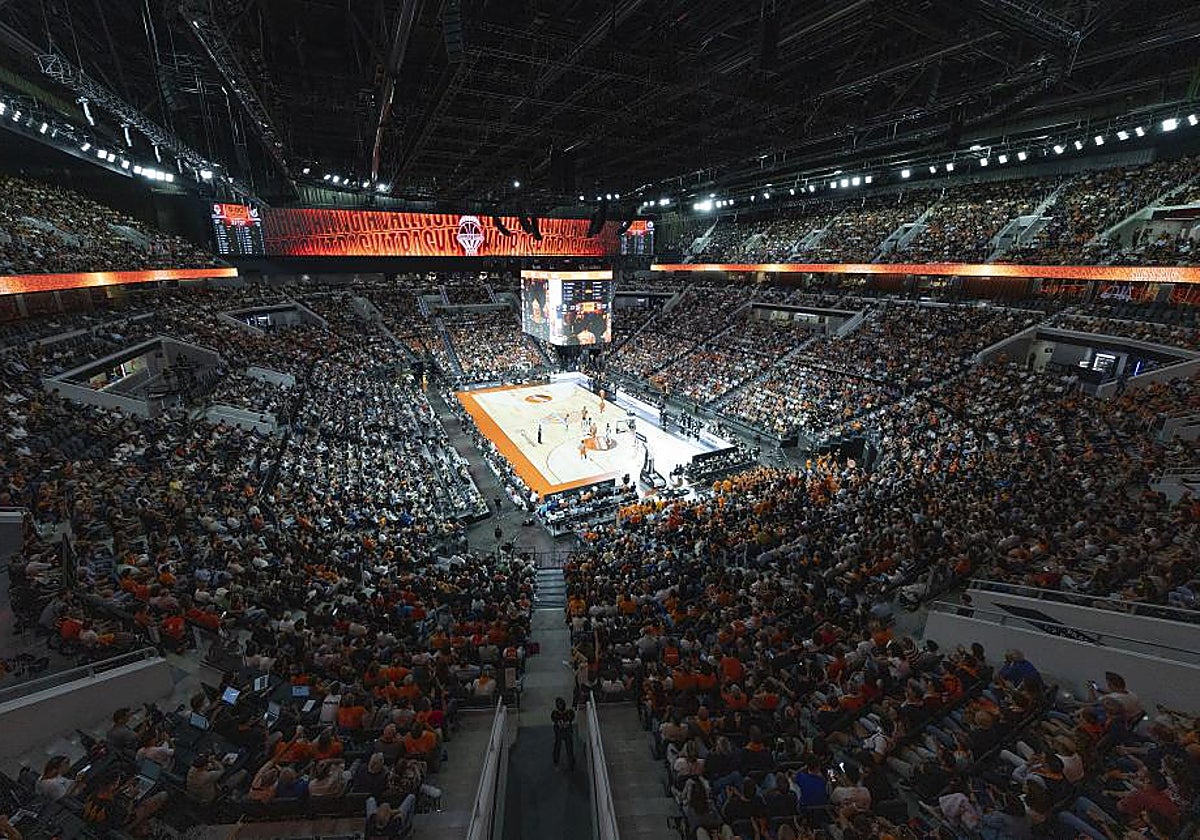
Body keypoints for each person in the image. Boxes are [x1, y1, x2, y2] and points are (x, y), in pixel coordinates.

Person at [552, 697, 576, 770]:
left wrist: (567, 723)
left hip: (565, 732)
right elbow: (555, 720)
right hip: (561, 732)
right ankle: (557, 761)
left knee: (567, 747)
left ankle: (570, 762)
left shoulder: (568, 713)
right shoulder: (556, 714)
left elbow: (571, 719)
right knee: (559, 746)